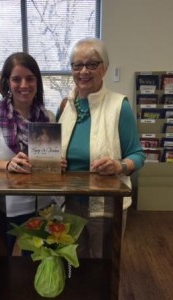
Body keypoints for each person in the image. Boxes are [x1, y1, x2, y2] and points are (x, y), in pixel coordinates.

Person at [58, 37, 146, 258]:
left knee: (103, 263)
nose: (83, 71)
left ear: (104, 68)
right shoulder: (65, 106)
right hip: (69, 204)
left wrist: (118, 165)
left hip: (105, 206)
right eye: (77, 65)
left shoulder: (120, 106)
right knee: (73, 261)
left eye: (92, 64)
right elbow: (56, 151)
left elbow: (138, 155)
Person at [0, 52, 58, 255]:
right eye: (16, 79)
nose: (24, 85)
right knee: (0, 261)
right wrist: (8, 165)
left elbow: (50, 160)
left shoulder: (48, 117)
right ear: (7, 82)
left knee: (38, 262)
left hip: (42, 202)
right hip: (7, 203)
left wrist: (57, 162)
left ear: (37, 82)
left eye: (30, 78)